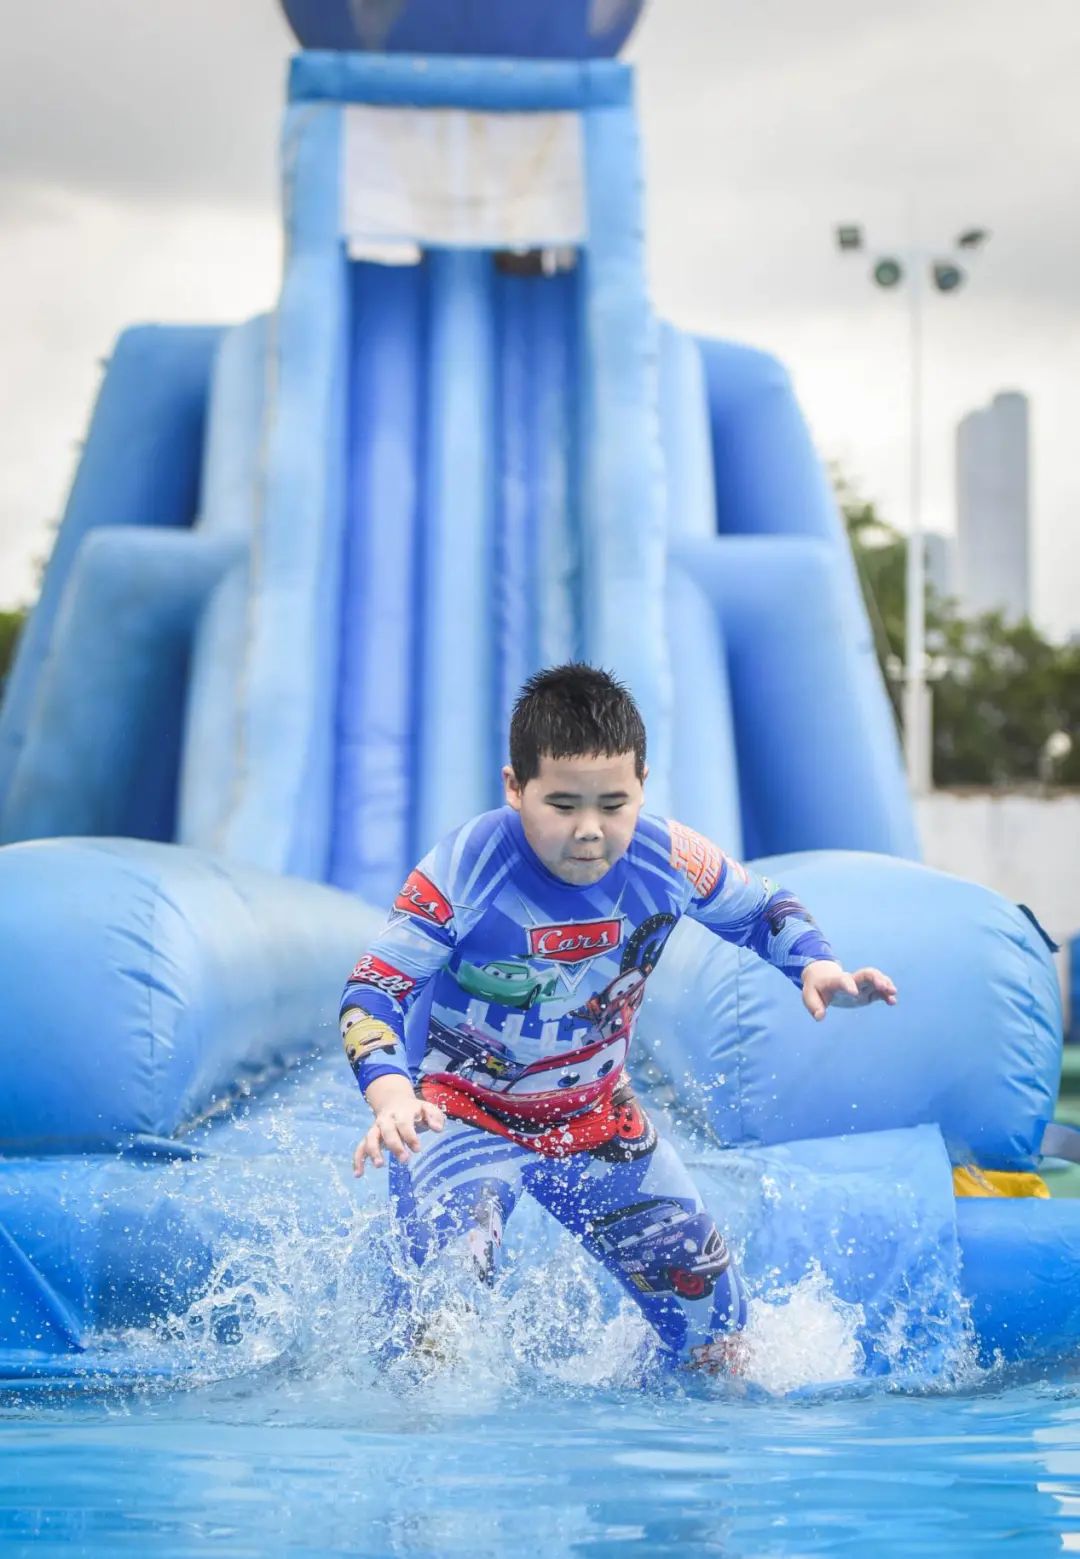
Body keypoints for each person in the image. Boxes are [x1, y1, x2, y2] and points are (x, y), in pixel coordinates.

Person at [340, 664, 896, 1372]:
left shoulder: (668, 858)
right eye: (562, 804)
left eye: (613, 804)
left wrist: (814, 964)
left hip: (597, 1117)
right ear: (514, 786)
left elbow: (763, 908)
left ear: (642, 783)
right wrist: (392, 1095)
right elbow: (372, 990)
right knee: (437, 1340)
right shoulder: (467, 869)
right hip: (459, 1115)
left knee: (722, 1344)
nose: (589, 831)